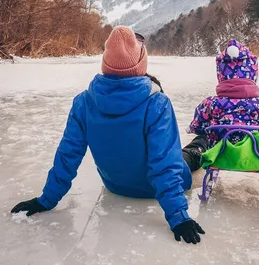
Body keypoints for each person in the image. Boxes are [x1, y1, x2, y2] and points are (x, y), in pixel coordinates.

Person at [11, 26, 206, 244]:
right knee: (187, 155)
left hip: (116, 186)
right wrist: (178, 217)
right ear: (141, 63)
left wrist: (45, 200)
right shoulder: (157, 103)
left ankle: (200, 143)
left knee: (176, 154)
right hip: (153, 188)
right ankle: (203, 142)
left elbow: (68, 156)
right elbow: (165, 164)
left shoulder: (83, 102)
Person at [187, 39, 259, 151]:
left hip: (219, 155)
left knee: (206, 137)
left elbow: (198, 126)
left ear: (221, 74)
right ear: (253, 74)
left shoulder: (211, 104)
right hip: (256, 155)